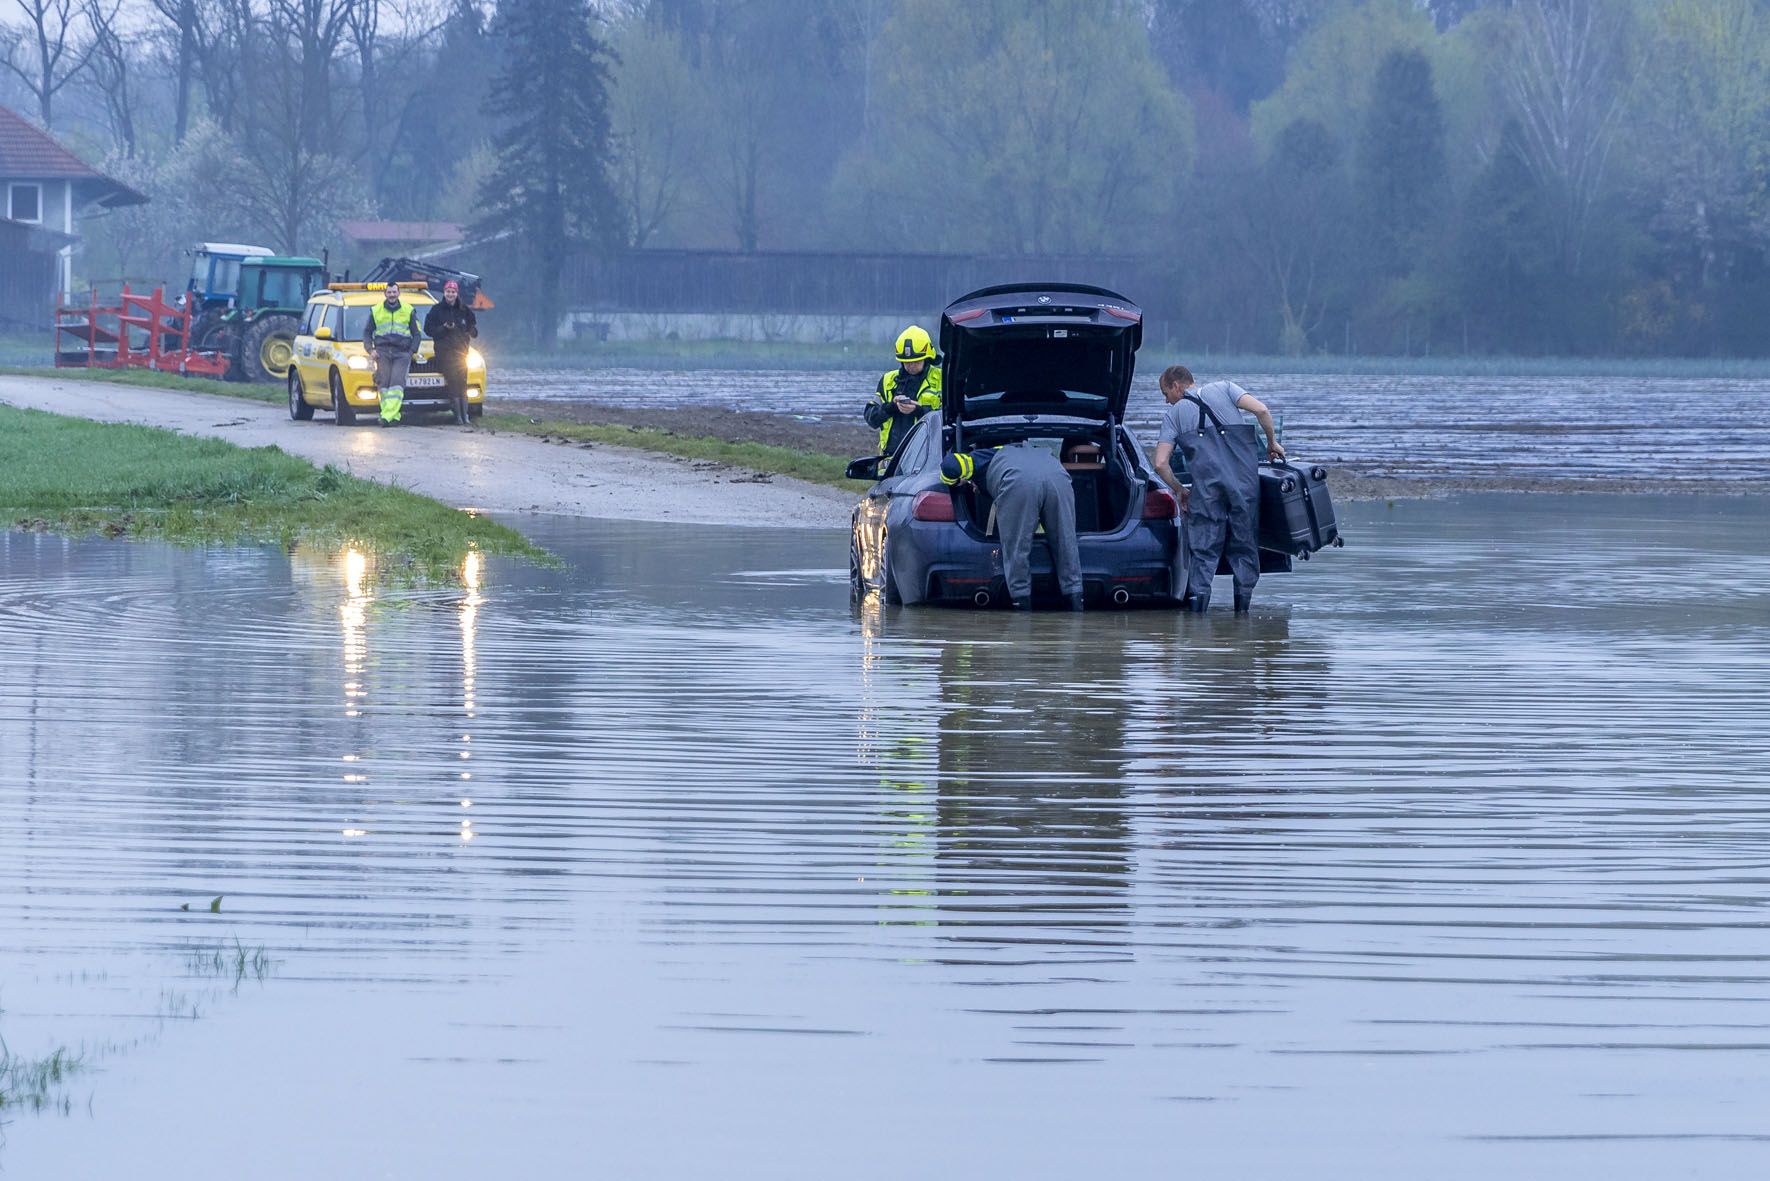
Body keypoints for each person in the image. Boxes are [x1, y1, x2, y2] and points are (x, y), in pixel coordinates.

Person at [1151, 365, 1284, 613]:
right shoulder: (1225, 388)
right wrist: (1271, 442)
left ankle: (1198, 616)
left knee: (1203, 552)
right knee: (1244, 547)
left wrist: (1179, 490)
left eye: (1165, 393)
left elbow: (1160, 463)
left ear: (1176, 385)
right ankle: (1242, 613)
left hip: (1206, 492)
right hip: (1244, 487)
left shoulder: (1173, 416)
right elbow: (1262, 410)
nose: (1166, 401)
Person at [941, 444, 1083, 611]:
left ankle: (1021, 612)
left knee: (1017, 547)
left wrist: (957, 482)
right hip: (1059, 477)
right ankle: (1076, 605)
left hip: (1018, 481)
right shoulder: (1031, 450)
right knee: (1066, 543)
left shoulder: (978, 458)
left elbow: (950, 465)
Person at [864, 324, 942, 457]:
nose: (910, 366)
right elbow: (871, 418)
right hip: (890, 457)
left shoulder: (941, 379)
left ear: (927, 357)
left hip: (925, 457)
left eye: (915, 361)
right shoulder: (888, 381)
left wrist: (920, 411)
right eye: (906, 362)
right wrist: (891, 407)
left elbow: (949, 419)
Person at [364, 282, 423, 427]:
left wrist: (411, 352)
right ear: (385, 294)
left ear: (398, 293)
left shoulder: (408, 310)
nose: (392, 295)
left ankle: (385, 416)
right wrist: (370, 350)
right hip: (382, 352)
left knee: (396, 385)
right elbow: (367, 332)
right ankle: (393, 416)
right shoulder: (375, 310)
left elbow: (416, 334)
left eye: (394, 292)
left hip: (402, 353)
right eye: (389, 292)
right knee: (383, 385)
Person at [422, 279, 478, 425]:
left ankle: (465, 415)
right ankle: (458, 416)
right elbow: (428, 330)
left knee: (463, 382)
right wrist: (444, 328)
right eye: (448, 292)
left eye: (453, 292)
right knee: (453, 382)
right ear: (444, 293)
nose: (450, 294)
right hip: (445, 353)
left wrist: (471, 331)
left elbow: (472, 327)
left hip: (461, 352)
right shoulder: (436, 310)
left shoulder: (464, 310)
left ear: (457, 293)